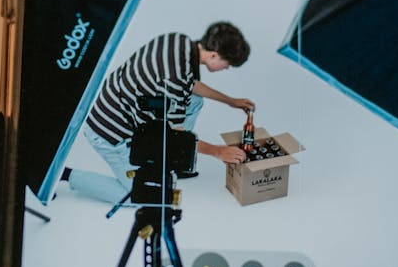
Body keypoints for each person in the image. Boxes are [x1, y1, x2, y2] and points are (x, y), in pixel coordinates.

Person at [61, 21, 254, 203]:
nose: (226, 68)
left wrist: (230, 101)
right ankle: (66, 175)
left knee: (194, 101)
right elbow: (175, 134)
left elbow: (190, 85)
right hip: (110, 133)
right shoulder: (173, 81)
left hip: (122, 103)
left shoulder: (180, 42)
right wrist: (218, 152)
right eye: (227, 64)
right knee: (139, 196)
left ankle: (172, 159)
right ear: (213, 54)